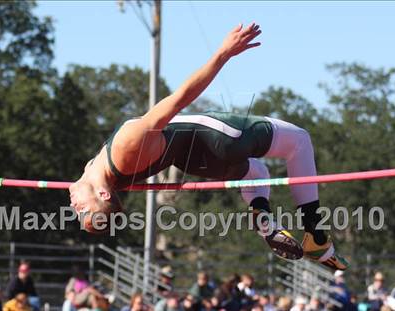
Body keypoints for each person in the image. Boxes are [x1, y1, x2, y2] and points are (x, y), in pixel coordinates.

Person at [69, 22, 347, 270]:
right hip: (216, 137)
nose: (74, 208)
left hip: (197, 162)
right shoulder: (122, 151)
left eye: (79, 212)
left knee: (257, 172)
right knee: (299, 141)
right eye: (82, 210)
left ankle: (264, 217)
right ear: (105, 195)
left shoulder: (110, 169)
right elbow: (178, 100)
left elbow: (177, 100)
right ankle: (316, 236)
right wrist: (222, 54)